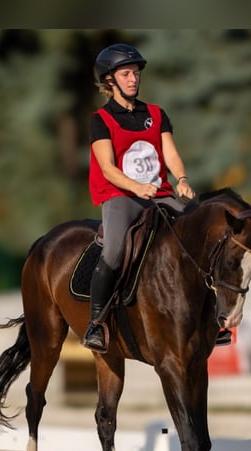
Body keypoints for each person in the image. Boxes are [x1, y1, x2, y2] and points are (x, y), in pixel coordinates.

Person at [83, 43, 232, 352]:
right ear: (109, 81)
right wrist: (136, 188)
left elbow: (171, 154)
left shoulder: (155, 114)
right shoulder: (100, 121)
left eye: (135, 73)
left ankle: (212, 319)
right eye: (126, 74)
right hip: (120, 195)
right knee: (112, 251)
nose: (133, 79)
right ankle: (96, 322)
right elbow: (108, 169)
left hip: (160, 195)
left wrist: (182, 179)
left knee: (199, 240)